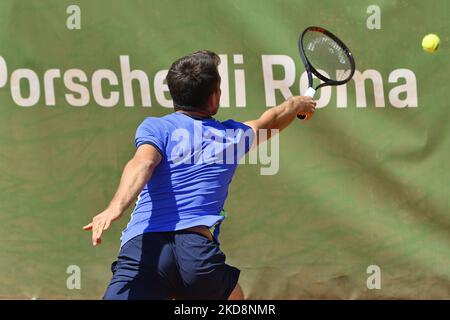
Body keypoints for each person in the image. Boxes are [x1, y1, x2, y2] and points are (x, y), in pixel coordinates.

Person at [83, 50, 316, 300]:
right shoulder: (232, 137)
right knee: (233, 296)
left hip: (144, 249)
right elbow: (271, 120)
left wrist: (114, 208)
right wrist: (298, 104)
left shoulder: (155, 127)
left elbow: (143, 163)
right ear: (214, 96)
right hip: (195, 255)